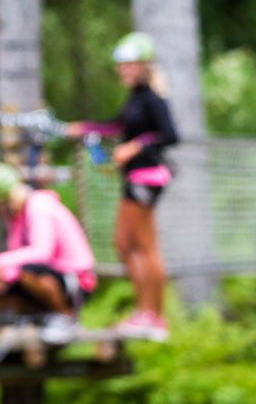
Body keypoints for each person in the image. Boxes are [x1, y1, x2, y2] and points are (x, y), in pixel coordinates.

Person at [66, 32, 177, 342]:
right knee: (124, 244)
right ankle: (145, 312)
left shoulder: (153, 99)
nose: (125, 71)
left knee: (144, 246)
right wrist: (82, 128)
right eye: (122, 66)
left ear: (143, 66)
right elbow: (116, 126)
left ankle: (152, 315)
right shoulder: (135, 100)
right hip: (134, 179)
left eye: (130, 65)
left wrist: (135, 147)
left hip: (147, 178)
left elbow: (170, 134)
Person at [0, 163, 97, 344]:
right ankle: (34, 316)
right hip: (47, 275)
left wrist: (1, 262)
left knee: (29, 271)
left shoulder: (39, 206)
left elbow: (42, 252)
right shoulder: (18, 217)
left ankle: (64, 316)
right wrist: (0, 279)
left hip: (75, 280)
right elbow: (16, 257)